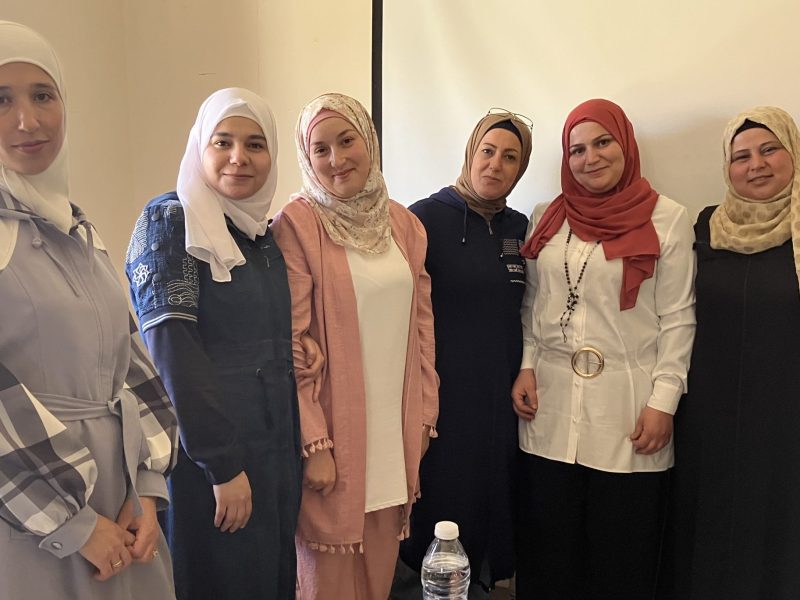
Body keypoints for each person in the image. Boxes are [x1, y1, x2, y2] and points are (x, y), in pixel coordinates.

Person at [0, 20, 178, 600]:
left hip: (122, 504)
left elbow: (133, 360)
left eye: (42, 96)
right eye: (1, 101)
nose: (27, 121)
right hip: (33, 519)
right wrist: (72, 525)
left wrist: (147, 488)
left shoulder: (78, 227)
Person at [125, 88, 307, 600]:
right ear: (199, 146)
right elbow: (172, 355)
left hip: (273, 450)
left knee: (270, 580)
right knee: (220, 581)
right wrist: (222, 466)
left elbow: (256, 331)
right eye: (222, 142)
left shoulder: (259, 234)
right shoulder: (171, 223)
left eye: (255, 144)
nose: (238, 158)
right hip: (211, 458)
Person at [511, 98, 695, 599]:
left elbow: (678, 318)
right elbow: (533, 302)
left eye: (602, 142)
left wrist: (664, 403)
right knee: (549, 551)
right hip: (549, 405)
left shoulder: (668, 219)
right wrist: (526, 365)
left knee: (622, 556)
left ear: (625, 143)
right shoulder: (547, 217)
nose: (589, 158)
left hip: (628, 406)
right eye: (576, 149)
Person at [270, 92, 439, 600]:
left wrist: (425, 416)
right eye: (319, 150)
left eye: (347, 141)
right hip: (335, 436)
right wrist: (314, 444)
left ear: (368, 141)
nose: (336, 159)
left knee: (379, 577)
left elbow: (422, 329)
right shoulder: (298, 225)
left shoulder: (404, 224)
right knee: (327, 583)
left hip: (394, 433)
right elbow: (292, 342)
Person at [658, 107, 800, 599]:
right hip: (708, 418)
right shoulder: (706, 227)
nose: (755, 164)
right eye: (741, 156)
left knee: (779, 530)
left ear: (792, 154)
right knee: (709, 527)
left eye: (768, 150)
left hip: (785, 421)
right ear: (727, 167)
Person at [394, 109, 533, 598]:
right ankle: (432, 582)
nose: (495, 165)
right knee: (444, 493)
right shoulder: (423, 219)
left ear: (521, 169)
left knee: (494, 489)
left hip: (503, 394)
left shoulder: (520, 227)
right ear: (471, 153)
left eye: (510, 157)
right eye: (487, 151)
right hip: (443, 392)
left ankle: (484, 582)